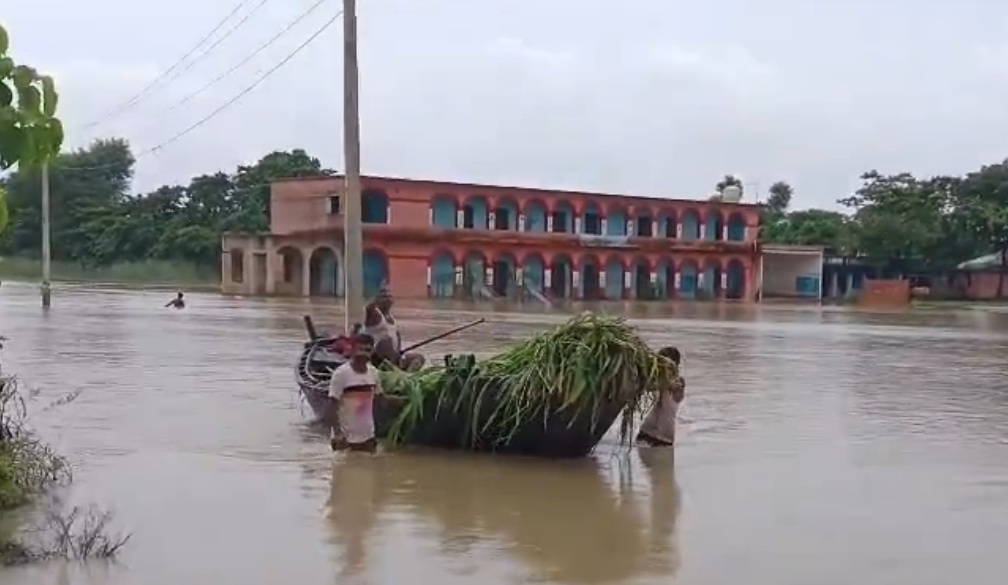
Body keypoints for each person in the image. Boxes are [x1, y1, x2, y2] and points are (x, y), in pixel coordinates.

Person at [328, 333, 383, 454]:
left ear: (372, 351)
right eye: (360, 349)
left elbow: (379, 398)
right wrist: (337, 433)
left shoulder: (374, 373)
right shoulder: (341, 374)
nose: (363, 354)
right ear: (351, 350)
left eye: (367, 350)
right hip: (345, 438)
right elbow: (332, 405)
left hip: (367, 436)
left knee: (369, 470)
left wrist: (400, 401)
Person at [364, 287, 424, 371]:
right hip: (377, 357)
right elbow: (368, 308)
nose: (388, 299)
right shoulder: (375, 315)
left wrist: (398, 352)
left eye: (389, 296)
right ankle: (394, 369)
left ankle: (406, 375)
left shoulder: (391, 317)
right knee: (386, 341)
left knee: (419, 358)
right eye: (384, 297)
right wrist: (375, 301)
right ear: (378, 300)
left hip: (393, 356)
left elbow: (397, 336)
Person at [636, 346, 685, 448]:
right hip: (648, 432)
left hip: (663, 437)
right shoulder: (660, 379)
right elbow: (649, 386)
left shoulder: (677, 381)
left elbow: (675, 393)